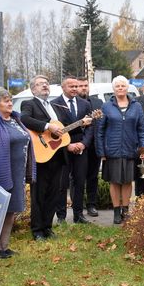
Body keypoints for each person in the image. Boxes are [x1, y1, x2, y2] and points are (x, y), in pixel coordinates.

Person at [0, 88, 36, 258]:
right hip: (0, 174)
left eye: (10, 100)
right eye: (5, 100)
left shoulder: (16, 119)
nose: (10, 103)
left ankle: (4, 245)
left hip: (17, 173)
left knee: (11, 210)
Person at [96, 76, 144, 224]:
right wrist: (101, 152)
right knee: (114, 181)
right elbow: (100, 131)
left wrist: (143, 149)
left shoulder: (136, 106)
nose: (120, 88)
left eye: (123, 86)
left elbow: (142, 129)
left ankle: (125, 211)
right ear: (113, 89)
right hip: (111, 151)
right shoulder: (106, 106)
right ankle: (116, 212)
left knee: (127, 181)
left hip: (131, 150)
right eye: (117, 86)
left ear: (127, 88)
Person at [21, 76, 66, 240]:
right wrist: (47, 126)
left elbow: (62, 129)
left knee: (54, 194)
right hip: (41, 157)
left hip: (57, 156)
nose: (45, 86)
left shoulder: (55, 106)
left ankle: (47, 227)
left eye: (46, 84)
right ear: (33, 89)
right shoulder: (29, 104)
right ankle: (37, 230)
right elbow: (24, 119)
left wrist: (82, 122)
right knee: (39, 195)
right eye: (41, 84)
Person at [51, 76, 93, 224]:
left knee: (80, 182)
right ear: (63, 88)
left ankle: (78, 215)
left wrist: (84, 144)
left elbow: (90, 127)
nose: (75, 89)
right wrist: (67, 145)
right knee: (62, 184)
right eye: (71, 86)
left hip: (81, 148)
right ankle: (61, 216)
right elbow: (53, 129)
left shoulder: (85, 104)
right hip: (62, 149)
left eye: (76, 86)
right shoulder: (54, 104)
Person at [76, 77, 102, 217]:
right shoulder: (72, 103)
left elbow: (102, 123)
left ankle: (91, 205)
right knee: (76, 178)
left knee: (93, 177)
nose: (83, 88)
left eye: (85, 85)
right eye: (80, 86)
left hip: (93, 146)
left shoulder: (97, 102)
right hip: (77, 145)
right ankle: (76, 206)